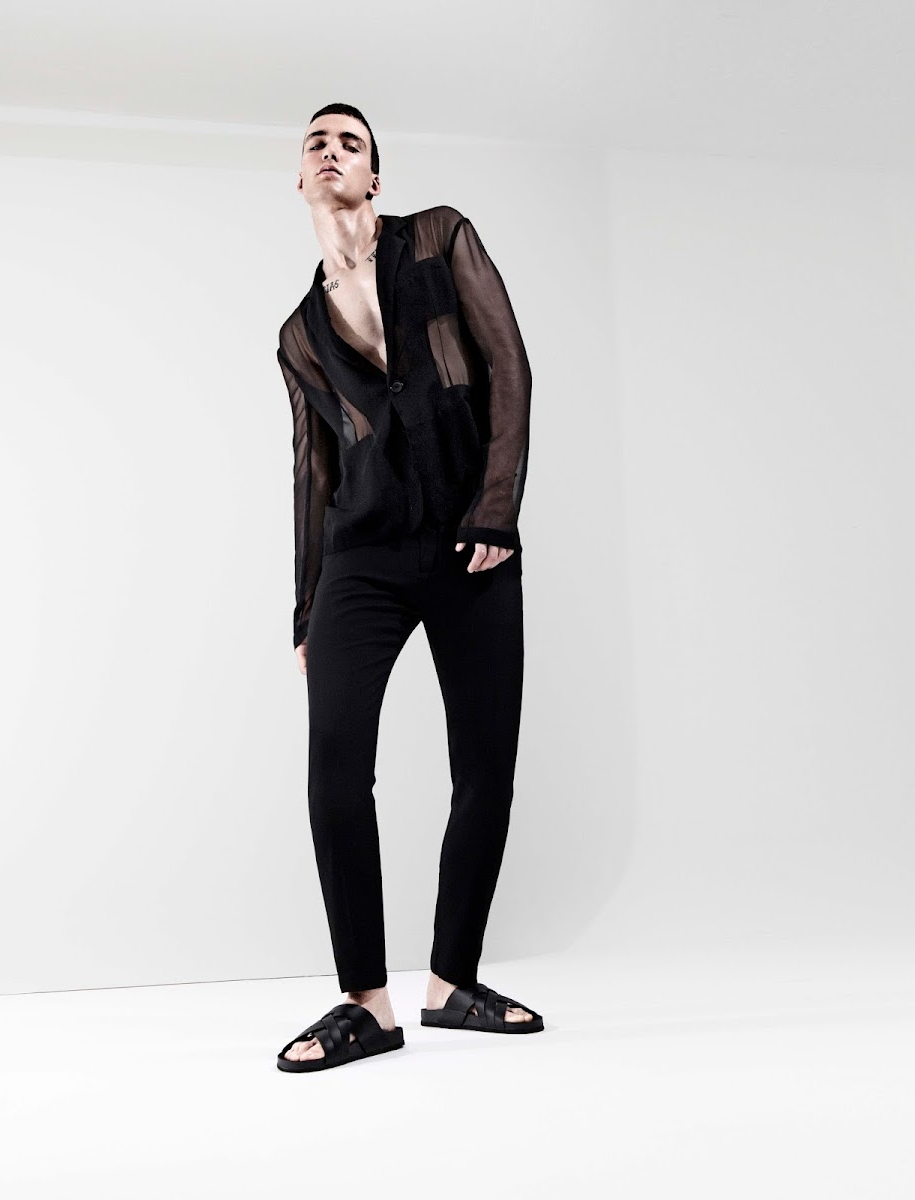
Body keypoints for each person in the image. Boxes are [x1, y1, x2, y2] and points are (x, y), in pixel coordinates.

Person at [274, 103, 543, 1073]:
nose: (331, 151)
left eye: (350, 142)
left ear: (375, 178)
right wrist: (308, 608)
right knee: (335, 772)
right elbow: (313, 471)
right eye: (317, 142)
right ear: (300, 179)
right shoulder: (298, 334)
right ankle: (366, 1005)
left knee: (486, 767)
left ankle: (451, 983)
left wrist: (496, 508)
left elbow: (508, 366)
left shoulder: (438, 238)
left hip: (472, 542)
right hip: (363, 557)